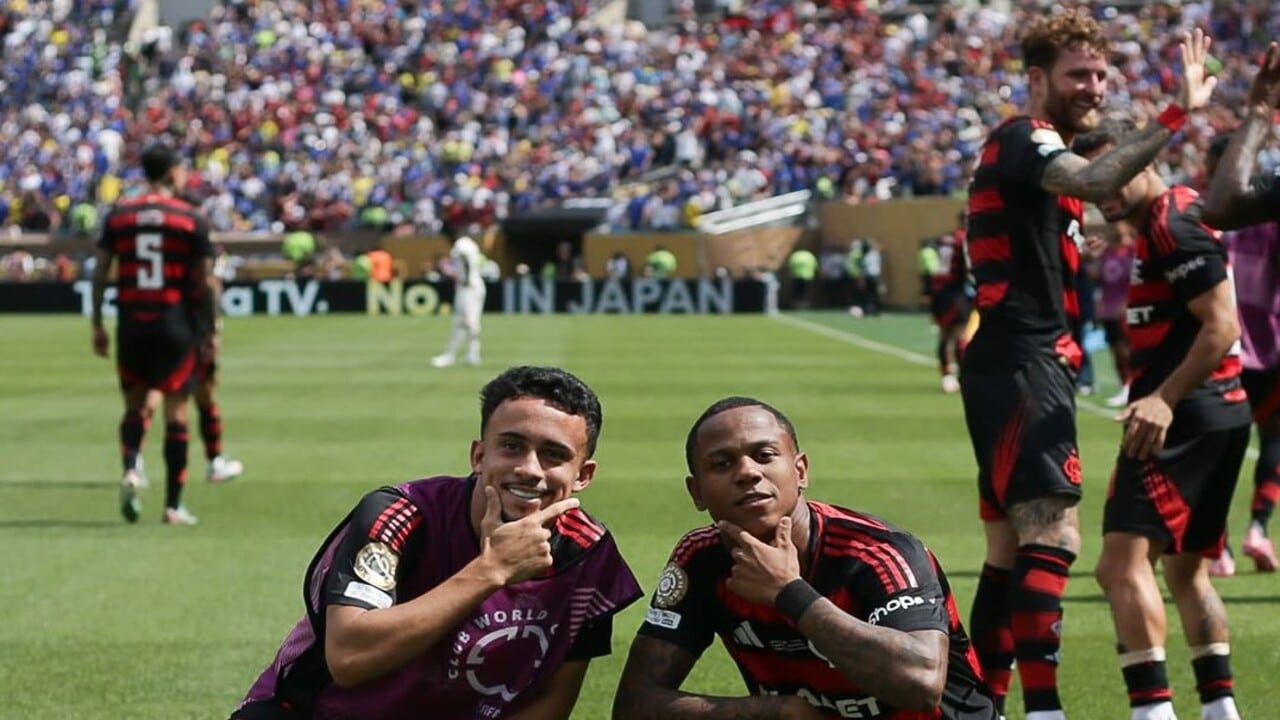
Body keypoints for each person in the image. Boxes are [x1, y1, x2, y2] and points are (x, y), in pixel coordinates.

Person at [960, 15, 1216, 718]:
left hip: (1013, 360)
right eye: (1078, 75)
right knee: (1054, 533)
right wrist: (1176, 114)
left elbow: (1095, 201)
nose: (1093, 88)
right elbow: (1100, 174)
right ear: (1037, 78)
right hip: (1024, 361)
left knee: (1008, 551)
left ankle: (979, 706)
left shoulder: (1035, 161)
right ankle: (1044, 713)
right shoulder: (1026, 138)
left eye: (1101, 76)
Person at [232, 365, 642, 719]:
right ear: (479, 455)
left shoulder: (587, 554)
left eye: (553, 454)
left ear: (584, 475)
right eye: (512, 446)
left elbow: (552, 699)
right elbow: (349, 658)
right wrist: (491, 570)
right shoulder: (402, 515)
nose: (529, 469)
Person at [613, 397, 998, 720]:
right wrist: (773, 711)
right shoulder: (701, 559)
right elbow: (635, 705)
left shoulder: (878, 552)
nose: (748, 472)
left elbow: (921, 685)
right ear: (696, 493)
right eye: (722, 464)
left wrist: (790, 594)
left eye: (764, 455)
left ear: (800, 471)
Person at [1075, 118, 1250, 720]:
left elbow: (1222, 325)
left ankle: (1153, 712)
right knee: (1187, 572)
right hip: (1217, 414)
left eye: (1116, 174)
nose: (1106, 191)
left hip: (1182, 419)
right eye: (1098, 183)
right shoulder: (1159, 219)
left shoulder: (1174, 223)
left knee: (1119, 565)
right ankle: (1219, 707)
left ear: (1143, 160)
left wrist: (1165, 398)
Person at [91, 142, 218, 526]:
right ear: (172, 173)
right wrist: (210, 330)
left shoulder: (119, 216)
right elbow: (207, 281)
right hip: (174, 324)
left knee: (134, 406)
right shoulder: (189, 217)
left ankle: (131, 467)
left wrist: (97, 322)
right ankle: (173, 505)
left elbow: (100, 271)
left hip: (131, 323)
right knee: (176, 413)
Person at [1202, 43, 1280, 574]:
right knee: (1272, 439)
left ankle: (1221, 544)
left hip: (1227, 347)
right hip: (1272, 346)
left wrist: (1258, 112)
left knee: (1222, 447)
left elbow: (1222, 204)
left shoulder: (1200, 213)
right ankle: (1256, 529)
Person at [1093, 227, 1136, 408]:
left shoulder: (1133, 250)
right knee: (1114, 349)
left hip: (1125, 307)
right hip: (1108, 307)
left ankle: (1131, 386)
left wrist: (1129, 301)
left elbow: (1135, 278)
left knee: (1125, 349)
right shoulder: (1108, 251)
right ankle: (1123, 385)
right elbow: (1100, 277)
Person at [431, 233, 487, 368]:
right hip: (471, 287)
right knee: (466, 322)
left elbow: (466, 260)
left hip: (468, 288)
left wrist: (466, 280)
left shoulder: (463, 244)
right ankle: (471, 355)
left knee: (467, 321)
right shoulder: (469, 244)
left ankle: (454, 355)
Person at [929, 219, 972, 394]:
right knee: (960, 335)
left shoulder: (944, 239)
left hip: (938, 293)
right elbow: (970, 268)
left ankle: (947, 376)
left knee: (944, 336)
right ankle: (964, 377)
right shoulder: (964, 239)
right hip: (955, 293)